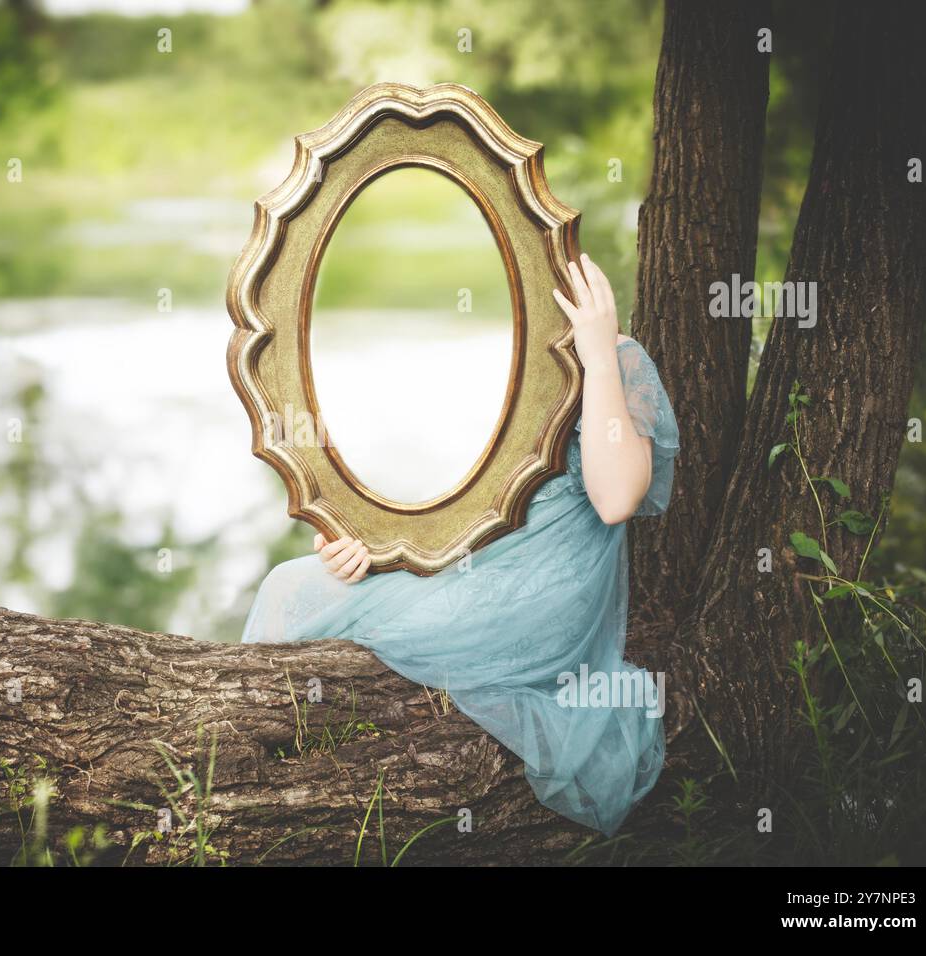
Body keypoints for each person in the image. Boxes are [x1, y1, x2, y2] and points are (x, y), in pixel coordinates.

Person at [240, 254, 679, 836]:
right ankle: (258, 787)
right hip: (474, 566)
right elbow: (445, 504)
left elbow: (617, 498)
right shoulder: (499, 365)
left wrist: (598, 357)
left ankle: (259, 801)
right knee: (292, 584)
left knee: (299, 597)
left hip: (549, 594)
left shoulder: (617, 357)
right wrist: (370, 547)